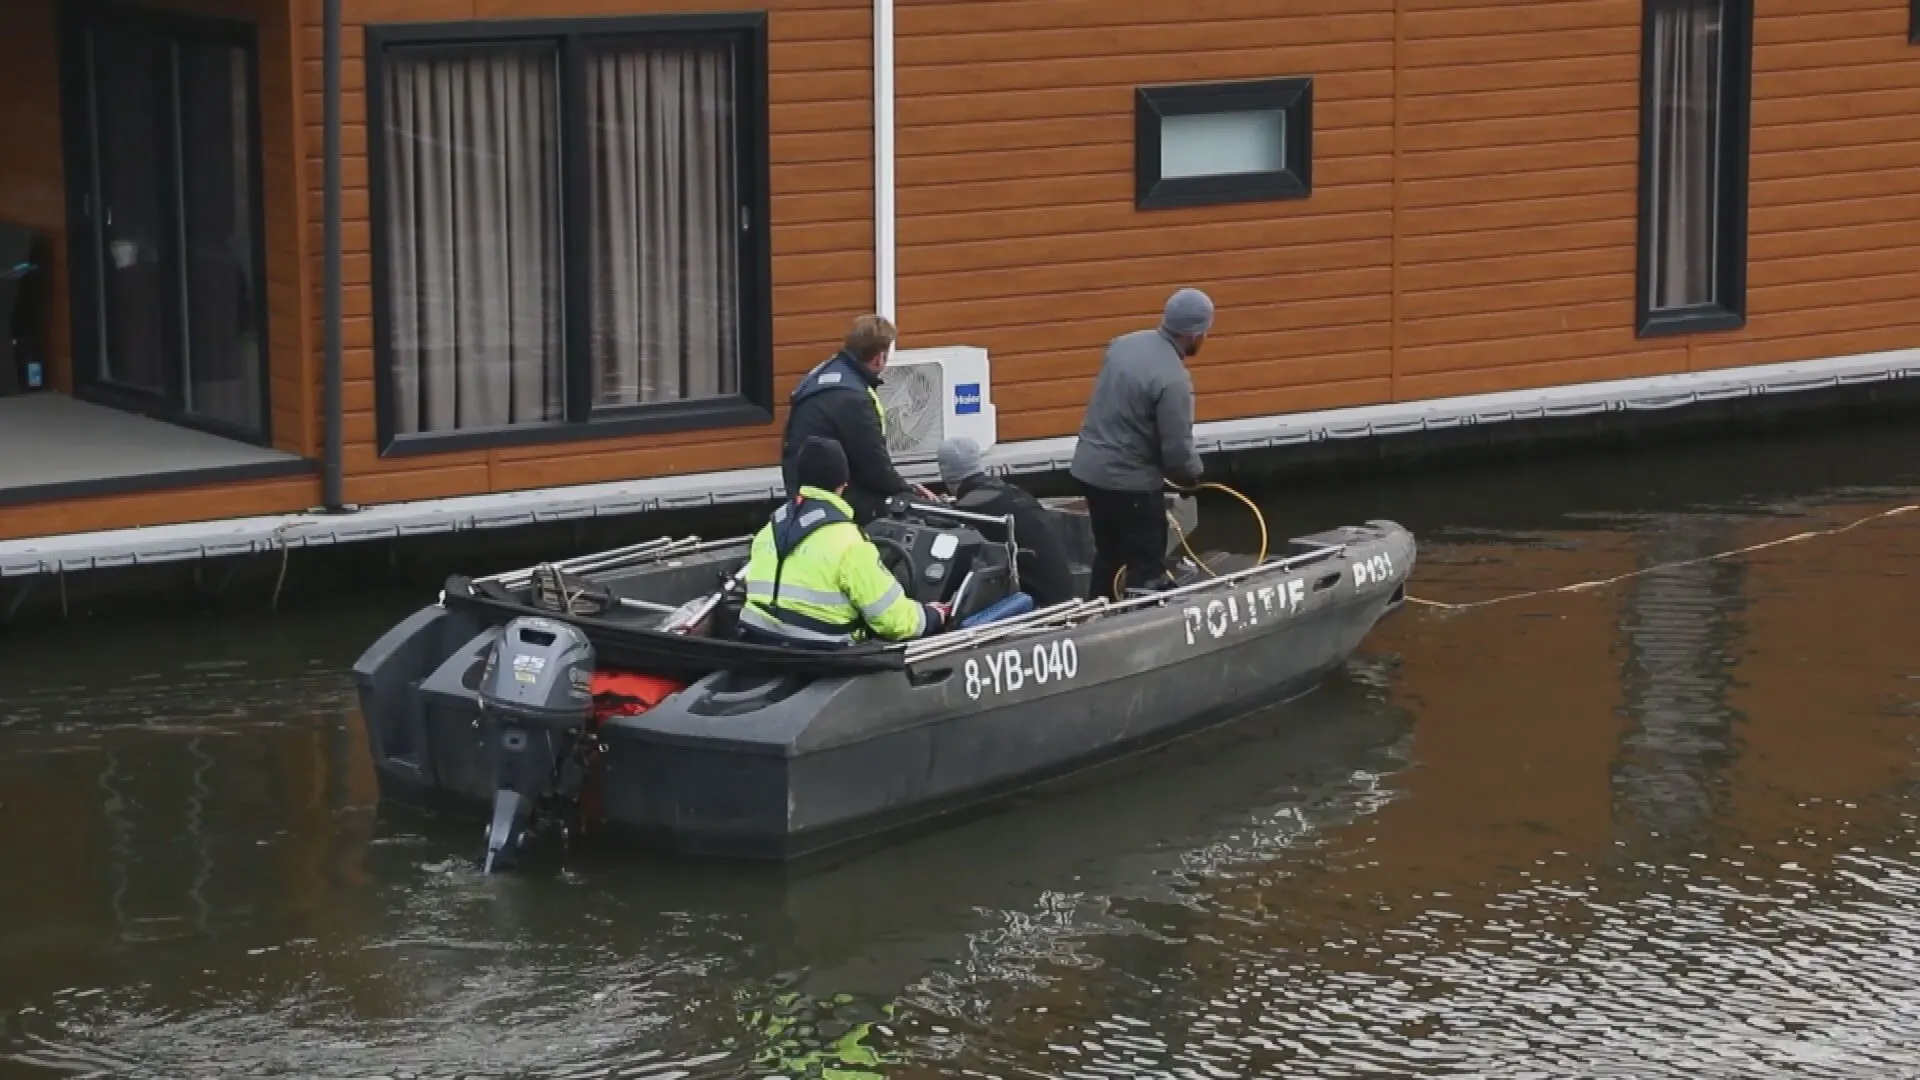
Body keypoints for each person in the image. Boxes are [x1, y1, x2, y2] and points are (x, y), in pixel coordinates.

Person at [1067, 287, 1211, 600]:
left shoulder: (1122, 345)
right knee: (1146, 565)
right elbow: (1177, 453)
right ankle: (1140, 620)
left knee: (1108, 554)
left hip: (1089, 470)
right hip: (1130, 484)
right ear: (1195, 334)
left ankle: (1096, 611)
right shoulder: (1173, 379)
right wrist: (1195, 476)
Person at [738, 436, 948, 649]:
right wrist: (931, 616)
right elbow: (892, 621)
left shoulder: (769, 530)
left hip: (761, 643)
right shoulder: (850, 543)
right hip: (821, 653)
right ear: (843, 485)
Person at [782, 314, 934, 525]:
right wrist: (908, 490)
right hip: (833, 496)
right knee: (912, 511)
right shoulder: (853, 398)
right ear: (879, 358)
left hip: (803, 490)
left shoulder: (826, 374)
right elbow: (874, 466)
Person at [935, 437, 1076, 610]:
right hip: (1065, 595)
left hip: (1039, 606)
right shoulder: (1011, 493)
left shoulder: (970, 510)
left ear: (945, 474)